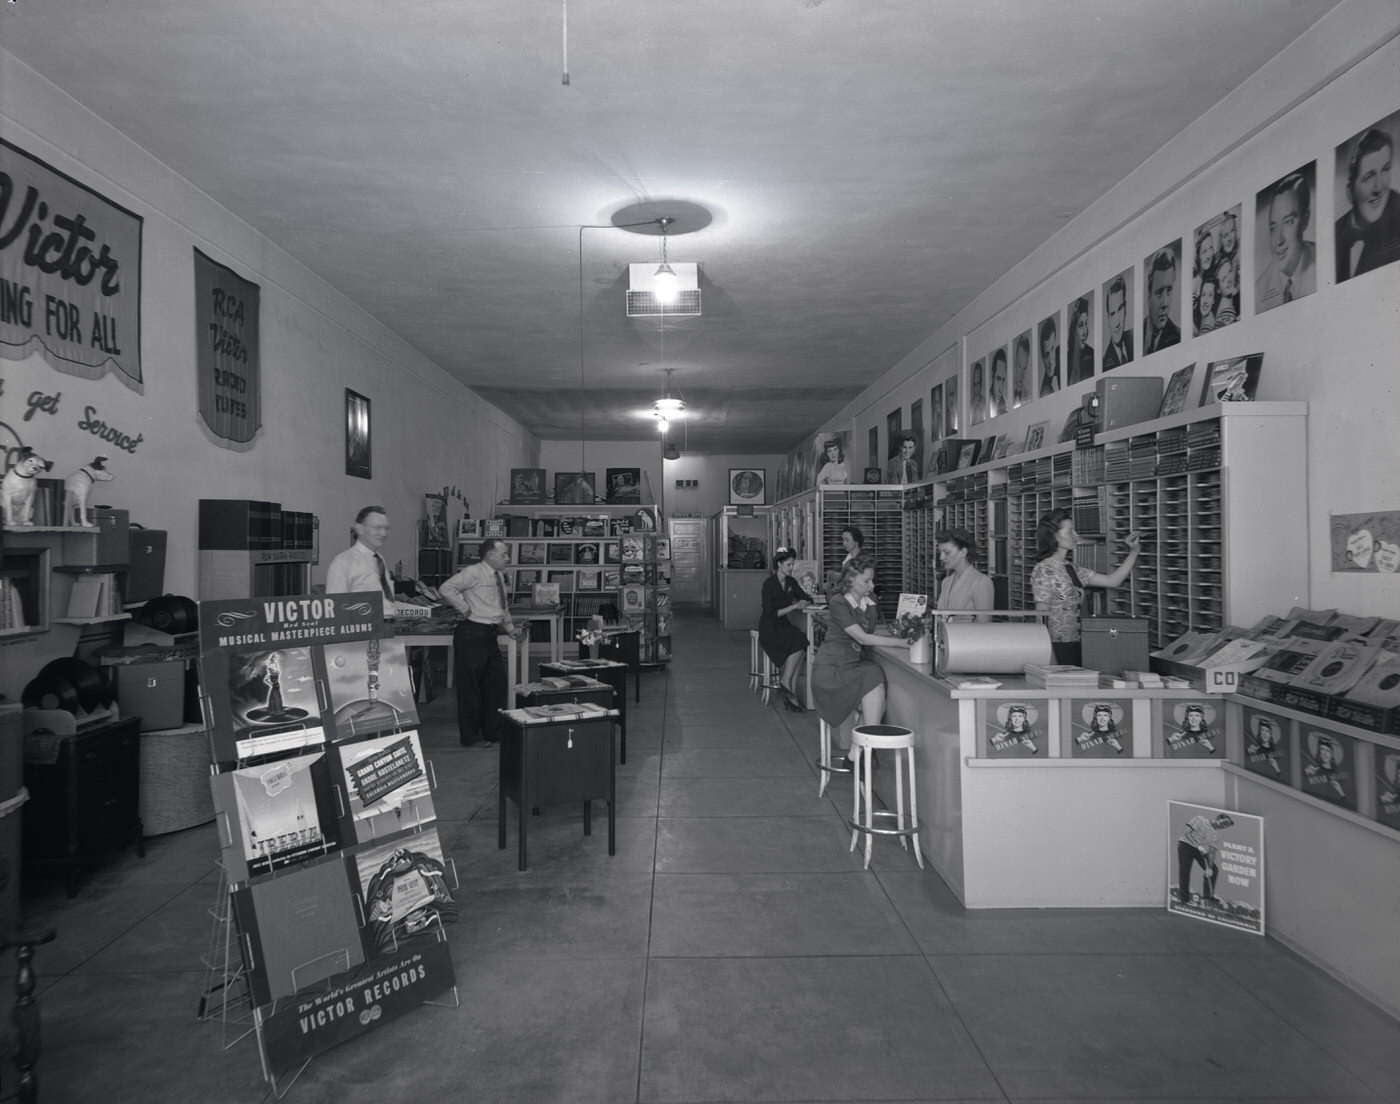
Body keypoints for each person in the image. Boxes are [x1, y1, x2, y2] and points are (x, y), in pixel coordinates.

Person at [810, 555, 907, 769]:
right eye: (867, 581)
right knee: (873, 677)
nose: (872, 585)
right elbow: (862, 637)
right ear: (851, 579)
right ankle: (865, 750)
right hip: (832, 669)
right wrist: (902, 643)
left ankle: (859, 752)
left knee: (874, 680)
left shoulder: (869, 601)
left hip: (852, 665)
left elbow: (869, 632)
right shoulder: (838, 602)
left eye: (872, 580)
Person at [1030, 508, 1140, 665]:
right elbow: (1040, 617)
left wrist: (1134, 552)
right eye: (1070, 531)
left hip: (1077, 643)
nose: (1076, 535)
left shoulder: (1072, 568)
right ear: (1054, 536)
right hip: (1055, 647)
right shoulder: (1044, 569)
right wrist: (1048, 656)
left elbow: (1113, 581)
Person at [439, 538, 517, 747]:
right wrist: (465, 609)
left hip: (490, 634)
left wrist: (509, 628)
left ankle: (493, 731)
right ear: (490, 555)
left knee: (496, 685)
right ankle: (471, 736)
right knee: (470, 689)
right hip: (472, 633)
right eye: (504, 554)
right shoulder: (474, 572)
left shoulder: (499, 575)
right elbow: (447, 588)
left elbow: (502, 605)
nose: (507, 558)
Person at [1336, 126, 1400, 281]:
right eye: (1368, 177)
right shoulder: (1336, 232)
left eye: (1385, 170)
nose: (1379, 187)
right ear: (1350, 192)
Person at [759, 547, 813, 713]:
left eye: (792, 564)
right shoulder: (769, 584)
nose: (791, 568)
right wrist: (794, 606)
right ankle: (787, 685)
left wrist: (804, 603)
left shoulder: (791, 583)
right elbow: (771, 613)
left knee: (802, 642)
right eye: (789, 564)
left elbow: (807, 598)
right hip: (769, 627)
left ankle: (788, 687)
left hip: (782, 625)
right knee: (799, 640)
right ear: (779, 564)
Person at [1256, 171, 1316, 310]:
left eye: (1288, 222)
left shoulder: (1324, 262)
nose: (1278, 240)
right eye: (1273, 228)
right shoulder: (1258, 291)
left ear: (1305, 219)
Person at [325, 505, 397, 618]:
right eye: (377, 528)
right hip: (364, 632)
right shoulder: (343, 562)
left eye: (386, 528)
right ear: (360, 528)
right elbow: (334, 608)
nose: (383, 533)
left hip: (386, 629)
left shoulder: (379, 559)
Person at [935, 528, 994, 623]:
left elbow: (984, 627)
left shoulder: (981, 582)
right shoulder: (946, 582)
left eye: (947, 552)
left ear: (963, 552)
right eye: (940, 553)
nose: (941, 557)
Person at [1176, 812, 1234, 907]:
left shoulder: (1215, 835)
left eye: (1226, 826)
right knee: (1185, 871)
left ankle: (1207, 897)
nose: (1224, 826)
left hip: (1198, 849)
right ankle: (1184, 899)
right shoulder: (1200, 819)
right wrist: (1198, 846)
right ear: (1218, 818)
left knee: (1214, 870)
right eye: (1224, 823)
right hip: (1185, 845)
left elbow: (1212, 852)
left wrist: (1209, 868)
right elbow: (1186, 832)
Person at [1143, 248, 1180, 354]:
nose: (1165, 303)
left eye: (1169, 291)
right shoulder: (1131, 339)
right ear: (1149, 295)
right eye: (1159, 292)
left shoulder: (1179, 336)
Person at [1102, 274, 1133, 369]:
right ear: (1108, 318)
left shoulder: (1137, 339)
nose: (1117, 323)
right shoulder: (1104, 365)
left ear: (1126, 308)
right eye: (1112, 314)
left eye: (1120, 309)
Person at [1066, 297, 1094, 384]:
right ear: (1074, 329)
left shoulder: (1092, 355)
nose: (1085, 332)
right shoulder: (1065, 358)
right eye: (1080, 325)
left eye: (1086, 324)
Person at [1037, 316, 1060, 396]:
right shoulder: (1043, 391)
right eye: (1046, 354)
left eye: (1052, 349)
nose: (1050, 361)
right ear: (1042, 357)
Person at [1214, 256, 1239, 328]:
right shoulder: (1226, 311)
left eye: (1230, 271)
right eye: (1224, 278)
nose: (1229, 279)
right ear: (1218, 289)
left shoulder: (1228, 305)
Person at [987, 349, 1009, 418]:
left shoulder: (1004, 405)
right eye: (998, 378)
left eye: (1003, 380)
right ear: (992, 375)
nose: (1001, 389)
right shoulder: (985, 402)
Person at [1011, 334, 1032, 406]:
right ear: (1015, 363)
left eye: (1024, 368)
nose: (1022, 375)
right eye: (1019, 366)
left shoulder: (1029, 397)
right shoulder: (1006, 396)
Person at [969, 360, 986, 426]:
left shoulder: (985, 403)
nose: (976, 388)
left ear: (981, 382)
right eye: (974, 384)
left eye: (978, 383)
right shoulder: (970, 405)